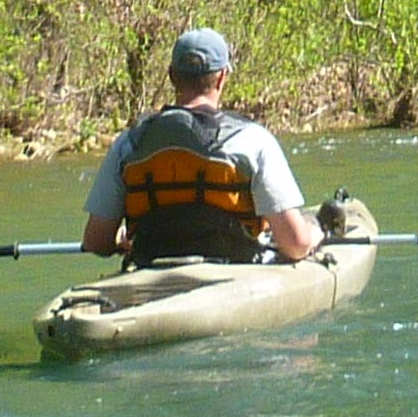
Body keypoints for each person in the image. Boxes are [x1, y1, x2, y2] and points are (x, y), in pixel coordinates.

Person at [82, 28, 323, 266]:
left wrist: (122, 239)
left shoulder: (129, 143)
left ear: (171, 76)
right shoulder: (252, 140)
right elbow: (296, 244)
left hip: (151, 265)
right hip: (233, 273)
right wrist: (314, 232)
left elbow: (96, 241)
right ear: (221, 77)